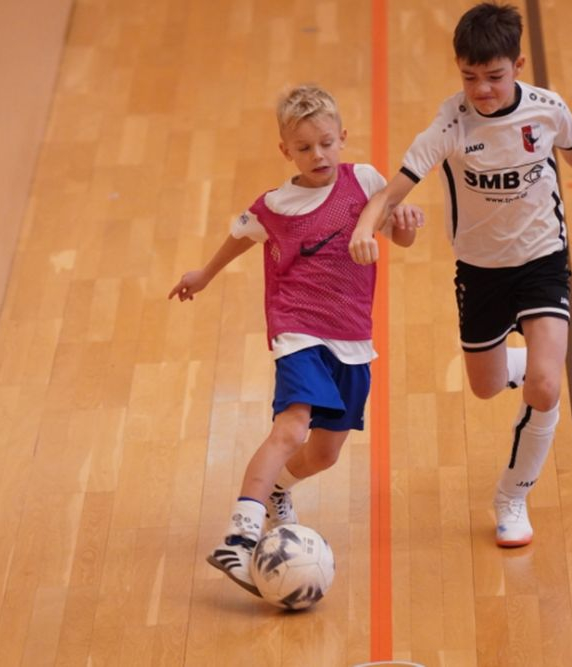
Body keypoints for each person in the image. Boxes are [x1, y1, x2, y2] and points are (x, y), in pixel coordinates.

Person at [349, 2, 572, 548]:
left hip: (543, 259)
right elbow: (393, 190)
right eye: (470, 77)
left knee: (545, 388)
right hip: (480, 270)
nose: (481, 89)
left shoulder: (548, 110)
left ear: (518, 65)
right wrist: (366, 227)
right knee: (484, 386)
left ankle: (511, 496)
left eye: (494, 77)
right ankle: (527, 364)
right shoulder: (451, 124)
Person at [169, 85, 421, 595]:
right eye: (304, 148)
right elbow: (240, 237)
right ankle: (239, 538)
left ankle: (278, 490)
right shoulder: (275, 205)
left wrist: (408, 222)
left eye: (326, 143)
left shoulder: (366, 182)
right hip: (298, 329)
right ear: (286, 151)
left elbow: (400, 236)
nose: (318, 155)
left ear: (343, 137)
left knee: (325, 454)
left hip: (352, 338)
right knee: (291, 429)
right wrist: (205, 274)